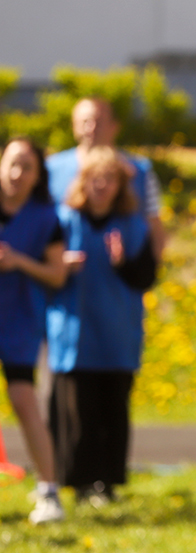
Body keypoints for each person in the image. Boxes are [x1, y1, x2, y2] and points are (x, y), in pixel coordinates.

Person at [47, 146, 156, 505]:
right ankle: (77, 482)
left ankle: (106, 483)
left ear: (120, 186)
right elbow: (42, 272)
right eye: (95, 178)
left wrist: (123, 262)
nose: (102, 185)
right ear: (83, 182)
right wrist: (61, 266)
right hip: (75, 334)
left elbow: (147, 277)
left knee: (113, 409)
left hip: (116, 333)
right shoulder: (62, 222)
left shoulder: (133, 226)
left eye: (109, 179)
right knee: (79, 413)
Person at [0, 138, 68, 523]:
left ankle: (49, 492)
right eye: (11, 163)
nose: (15, 173)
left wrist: (20, 262)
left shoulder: (47, 218)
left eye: (26, 166)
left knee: (24, 401)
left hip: (19, 322)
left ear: (37, 175)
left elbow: (57, 274)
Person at [46, 97, 166, 263]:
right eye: (85, 122)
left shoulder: (140, 170)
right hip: (65, 283)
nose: (91, 128)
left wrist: (145, 272)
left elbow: (154, 224)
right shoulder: (51, 169)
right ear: (74, 126)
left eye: (98, 122)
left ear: (114, 127)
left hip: (122, 281)